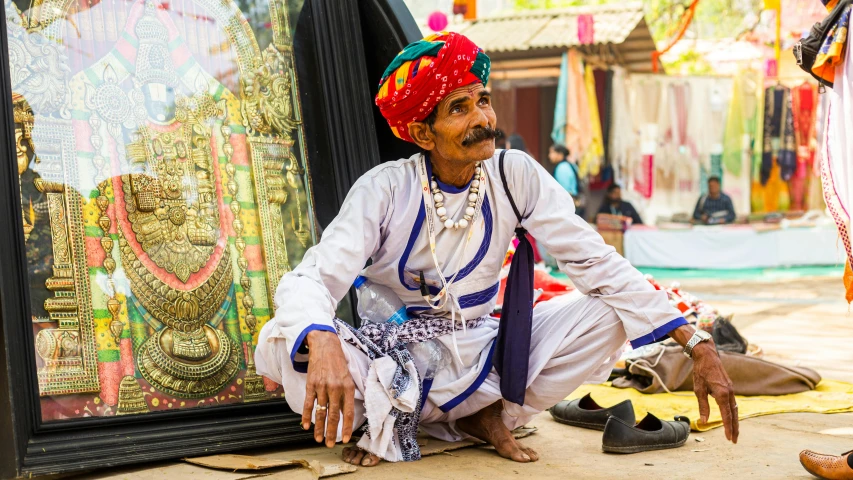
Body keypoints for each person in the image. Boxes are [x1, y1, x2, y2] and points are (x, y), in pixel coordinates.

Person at [255, 32, 738, 468]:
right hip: (395, 357)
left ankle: (476, 415)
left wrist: (695, 341)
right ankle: (402, 416)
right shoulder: (384, 190)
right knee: (283, 341)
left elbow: (594, 260)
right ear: (424, 134)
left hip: (484, 350)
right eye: (459, 109)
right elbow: (312, 277)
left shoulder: (515, 174)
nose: (484, 119)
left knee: (612, 313)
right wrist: (321, 342)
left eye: (483, 100)